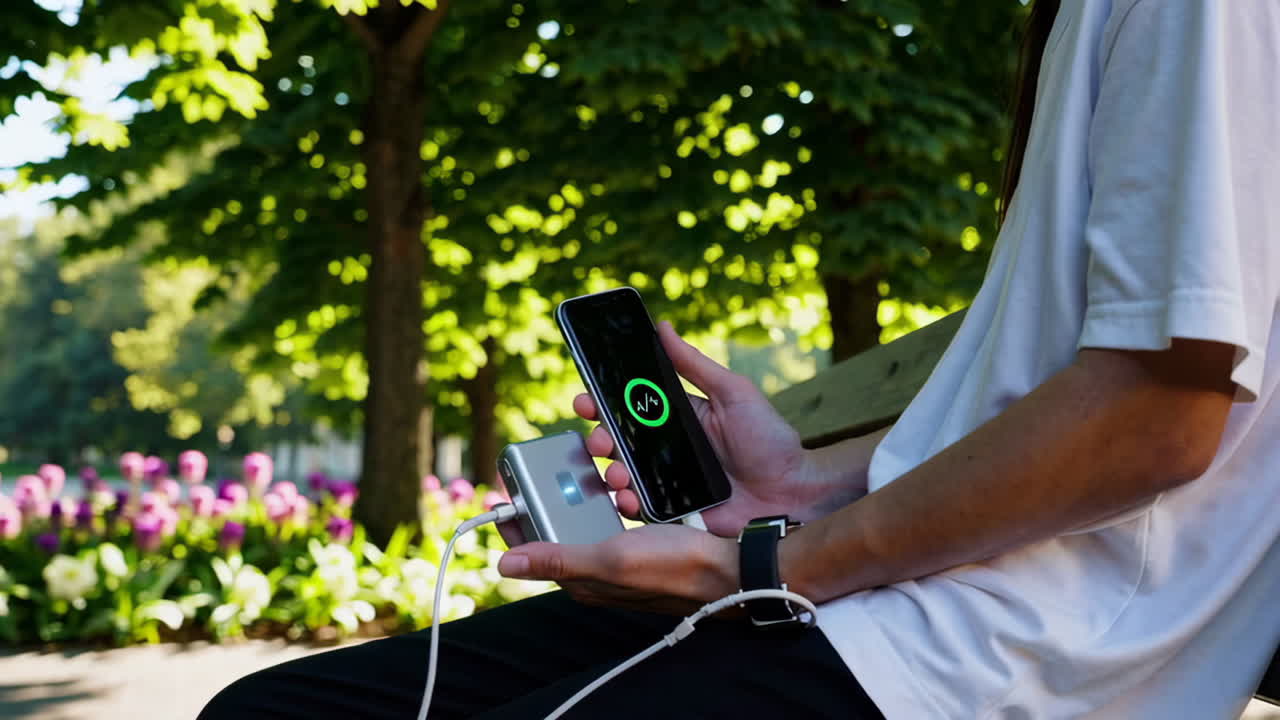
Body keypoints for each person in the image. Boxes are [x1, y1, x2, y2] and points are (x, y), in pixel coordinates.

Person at [201, 1, 1280, 717]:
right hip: (924, 608)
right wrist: (807, 486)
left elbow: (1154, 417)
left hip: (1007, 660)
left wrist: (763, 568)